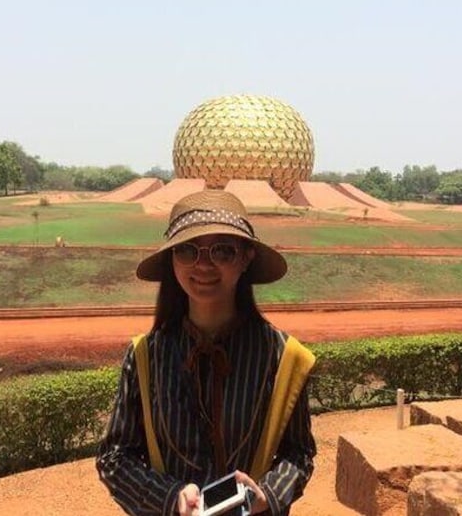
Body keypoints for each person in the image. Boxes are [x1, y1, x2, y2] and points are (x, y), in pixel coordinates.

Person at [96, 190, 316, 516]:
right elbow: (115, 456)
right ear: (172, 260)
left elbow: (298, 453)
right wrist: (170, 497)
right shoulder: (146, 356)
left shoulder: (283, 357)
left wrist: (267, 494)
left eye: (222, 251)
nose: (203, 265)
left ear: (246, 257)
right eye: (187, 250)